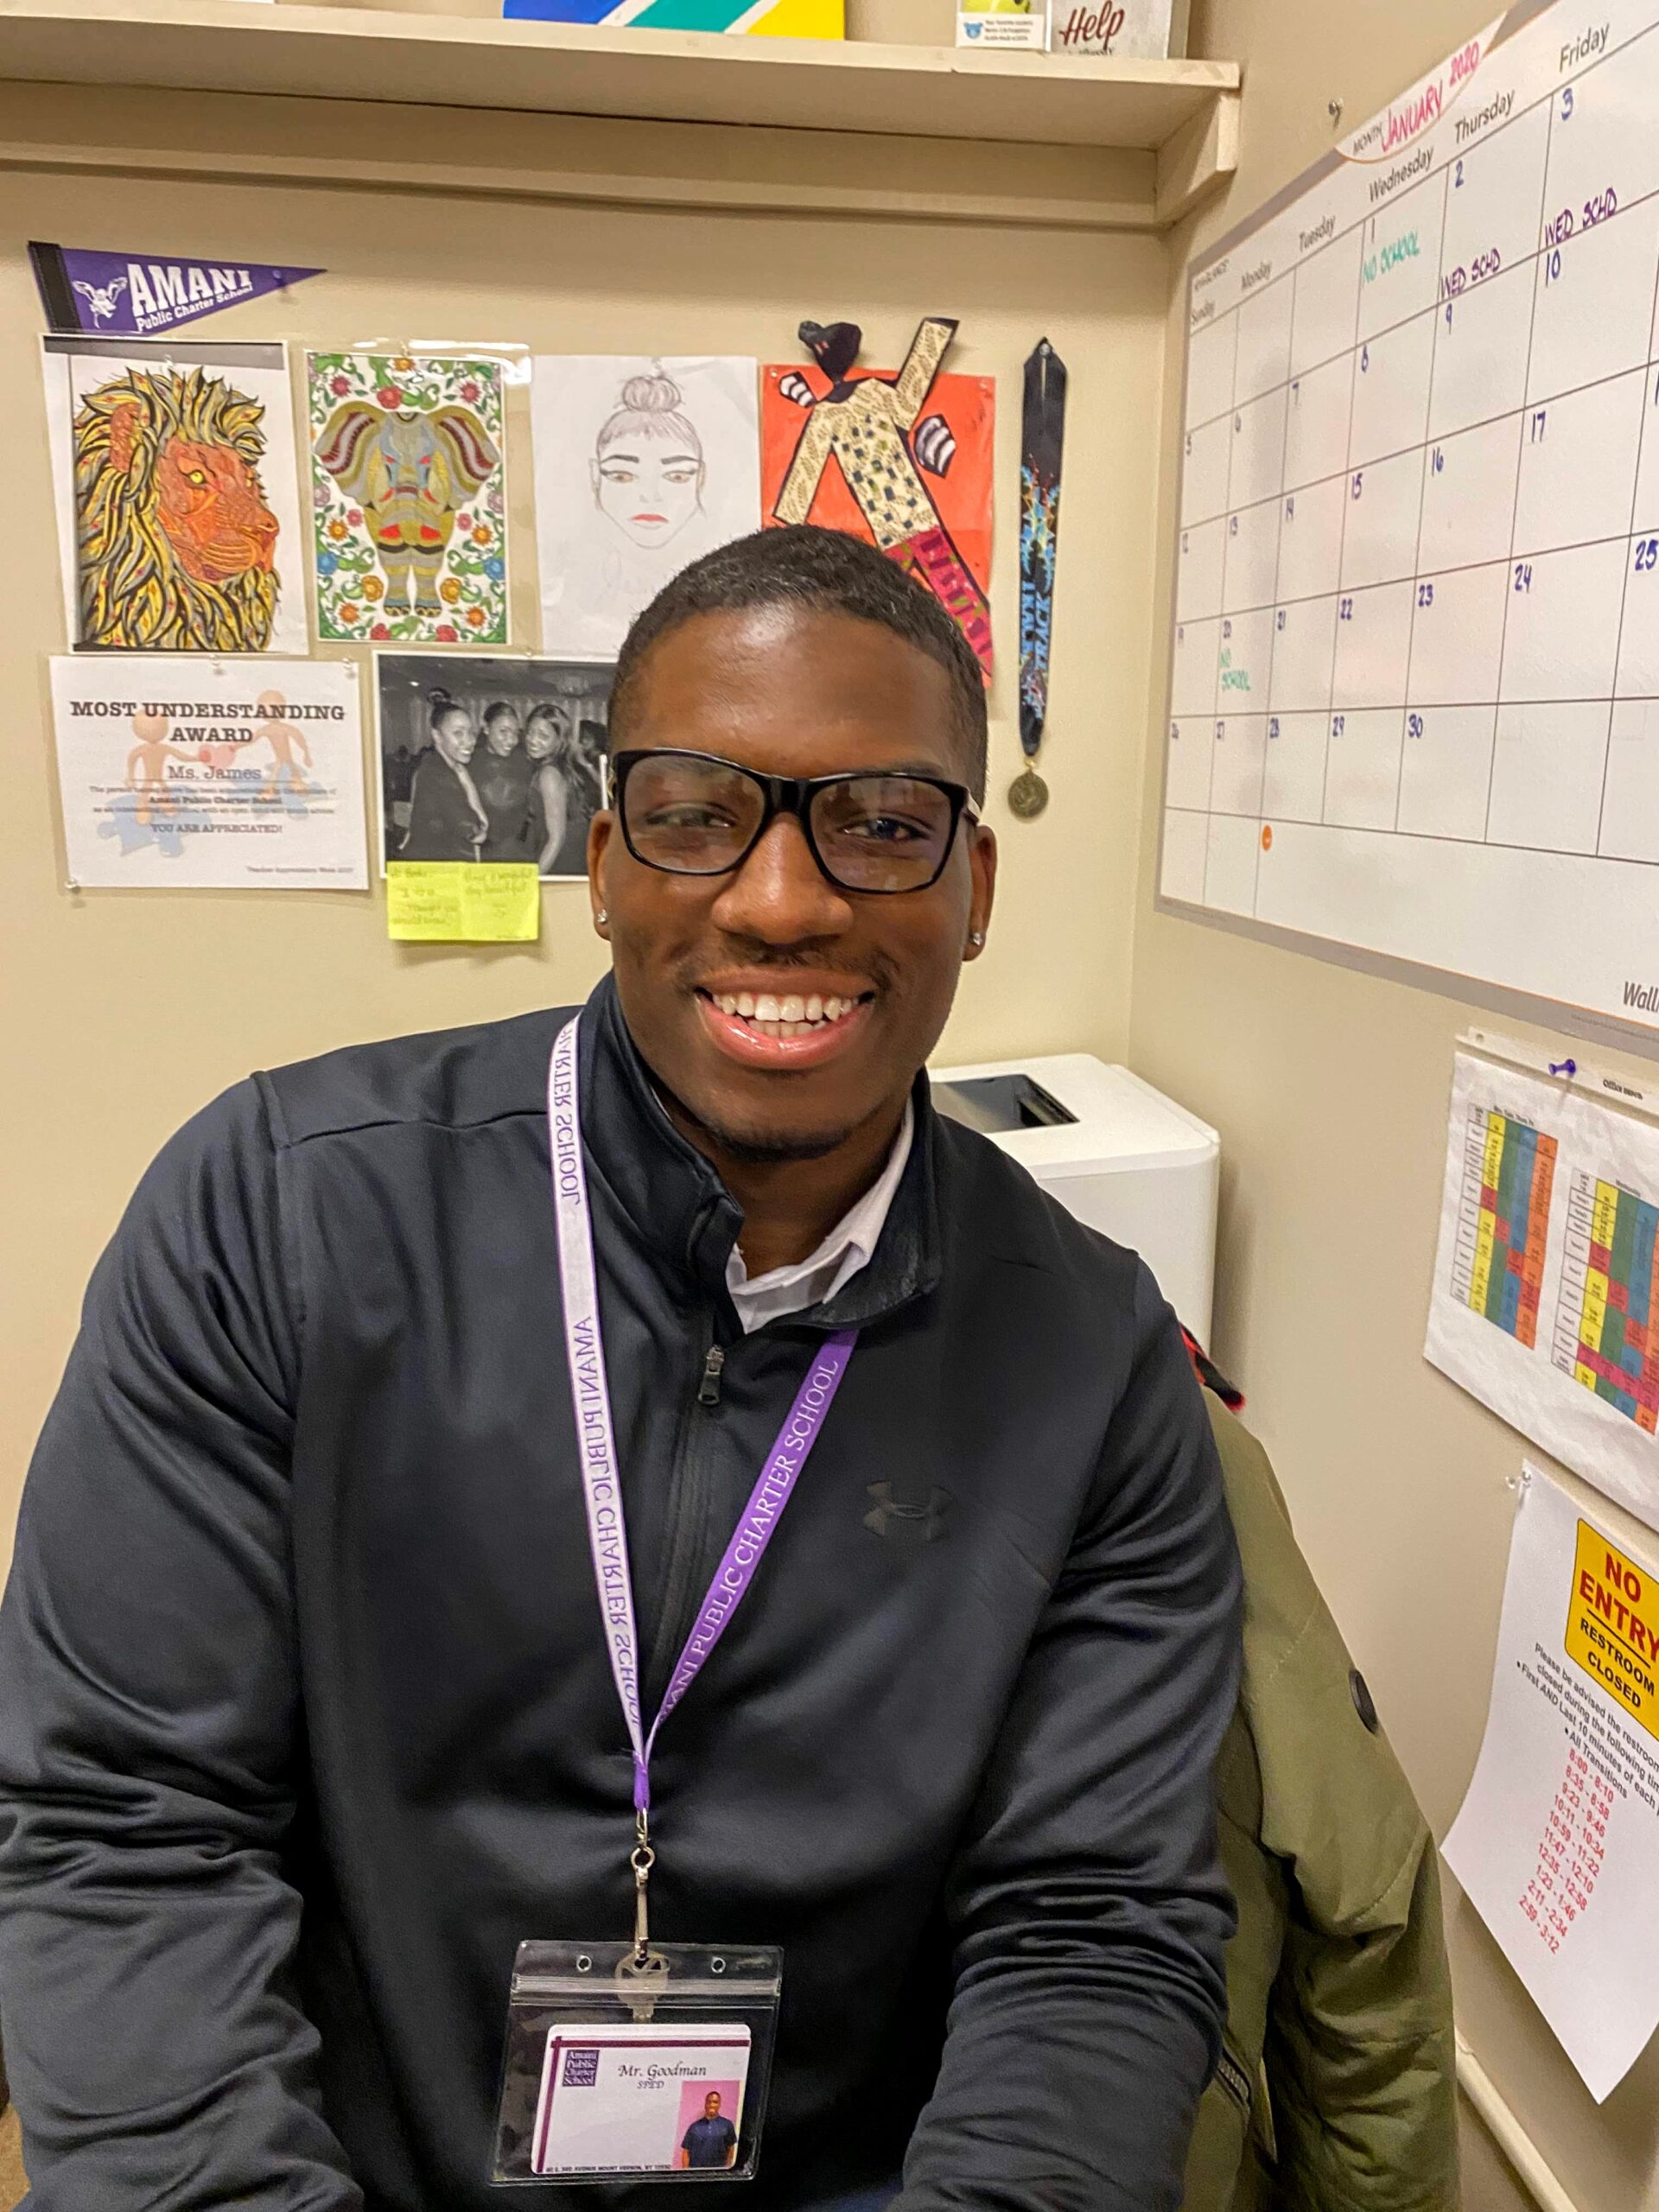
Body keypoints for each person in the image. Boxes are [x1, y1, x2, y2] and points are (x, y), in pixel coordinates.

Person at [0, 524, 1241, 2212]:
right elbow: (128, 1828)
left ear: (975, 887)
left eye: (883, 823)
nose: (783, 900)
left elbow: (1089, 1932)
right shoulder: (278, 1217)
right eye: (697, 813)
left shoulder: (1095, 1359)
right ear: (604, 862)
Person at [398, 691, 487, 861]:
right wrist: (467, 782)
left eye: (471, 732)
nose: (470, 741)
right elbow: (477, 832)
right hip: (434, 867)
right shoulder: (437, 775)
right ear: (437, 736)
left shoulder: (436, 765)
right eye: (458, 733)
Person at [472, 699, 537, 863]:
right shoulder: (469, 762)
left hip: (518, 852)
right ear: (486, 728)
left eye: (515, 733)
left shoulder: (526, 761)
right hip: (479, 853)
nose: (512, 740)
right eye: (503, 731)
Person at [678, 2090, 738, 2171]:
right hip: (696, 2173)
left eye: (715, 2102)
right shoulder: (694, 2127)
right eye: (709, 2102)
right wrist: (686, 2173)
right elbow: (686, 2151)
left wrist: (726, 2170)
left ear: (719, 2104)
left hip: (717, 2173)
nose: (712, 2105)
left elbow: (731, 2149)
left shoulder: (727, 2125)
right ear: (705, 2104)